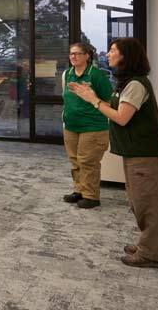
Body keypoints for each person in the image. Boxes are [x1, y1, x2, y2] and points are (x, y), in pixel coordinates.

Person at [68, 38, 158, 268]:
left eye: (113, 51)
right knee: (138, 202)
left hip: (143, 153)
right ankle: (150, 245)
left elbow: (122, 117)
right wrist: (91, 96)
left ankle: (152, 253)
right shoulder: (125, 83)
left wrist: (93, 100)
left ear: (126, 56)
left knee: (147, 203)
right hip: (135, 152)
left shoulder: (136, 84)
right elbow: (116, 108)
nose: (108, 54)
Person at [61, 43, 113, 209]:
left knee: (88, 162)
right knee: (75, 161)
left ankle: (91, 196)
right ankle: (79, 191)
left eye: (77, 53)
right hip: (71, 126)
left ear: (87, 56)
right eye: (71, 54)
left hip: (93, 127)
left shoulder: (96, 75)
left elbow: (108, 100)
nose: (73, 57)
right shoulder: (67, 74)